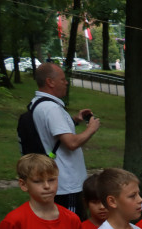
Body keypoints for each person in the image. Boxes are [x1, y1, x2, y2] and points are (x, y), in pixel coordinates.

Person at [28, 62, 101, 217]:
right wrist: (91, 129)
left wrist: (74, 121)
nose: (66, 82)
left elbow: (52, 135)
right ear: (50, 82)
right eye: (62, 79)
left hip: (57, 181)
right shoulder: (52, 109)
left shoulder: (37, 104)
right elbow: (71, 143)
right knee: (71, 228)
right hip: (67, 183)